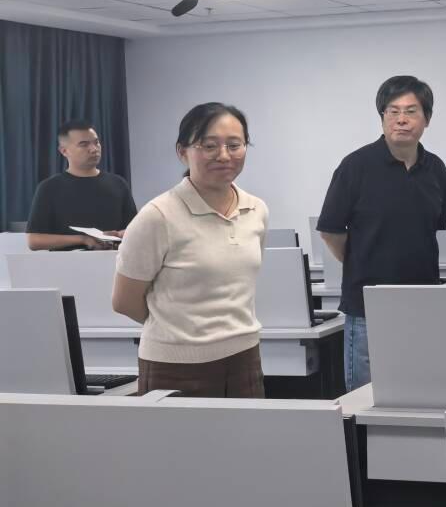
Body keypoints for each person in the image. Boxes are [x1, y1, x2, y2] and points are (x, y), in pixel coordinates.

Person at [111, 103, 268, 398]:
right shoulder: (157, 216)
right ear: (182, 151)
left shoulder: (256, 209)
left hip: (245, 358)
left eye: (234, 145)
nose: (224, 155)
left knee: (249, 431)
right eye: (209, 146)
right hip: (175, 367)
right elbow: (124, 301)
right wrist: (181, 332)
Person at [317, 76, 446, 391]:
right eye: (393, 111)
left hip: (423, 303)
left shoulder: (436, 170)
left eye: (411, 111)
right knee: (366, 395)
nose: (402, 119)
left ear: (427, 118)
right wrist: (364, 261)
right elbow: (331, 230)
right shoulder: (356, 166)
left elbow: (430, 229)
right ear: (382, 117)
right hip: (368, 305)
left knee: (423, 388)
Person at [26, 119, 137, 251]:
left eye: (96, 142)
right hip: (67, 262)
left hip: (114, 260)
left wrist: (119, 234)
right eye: (84, 144)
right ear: (64, 151)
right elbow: (34, 240)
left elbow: (136, 229)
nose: (94, 149)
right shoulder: (49, 188)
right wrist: (83, 239)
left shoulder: (118, 184)